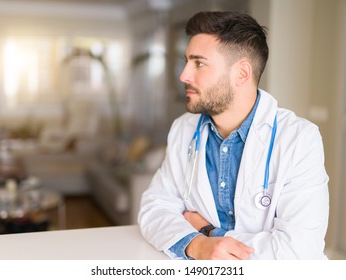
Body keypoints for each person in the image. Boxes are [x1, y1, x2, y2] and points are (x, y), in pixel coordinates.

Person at [138, 11, 329, 260]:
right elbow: (155, 208)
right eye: (186, 62)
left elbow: (298, 251)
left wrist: (209, 232)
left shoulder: (300, 139)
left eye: (199, 63)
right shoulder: (184, 128)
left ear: (241, 74)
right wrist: (196, 245)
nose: (184, 75)